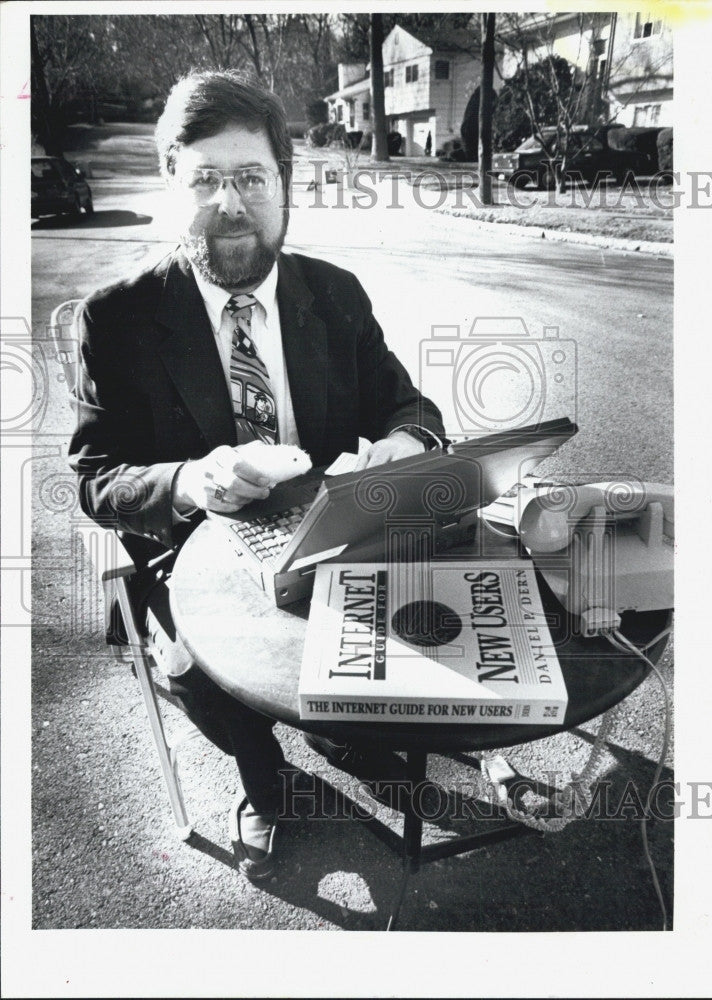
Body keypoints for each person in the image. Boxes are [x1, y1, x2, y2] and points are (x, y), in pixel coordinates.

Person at [68, 70, 445, 882]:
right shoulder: (118, 320)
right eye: (205, 179)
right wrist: (188, 481)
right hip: (195, 551)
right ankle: (264, 782)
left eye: (250, 177)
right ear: (172, 185)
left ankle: (344, 730)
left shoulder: (335, 294)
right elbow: (97, 478)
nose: (230, 203)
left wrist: (408, 443)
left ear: (285, 185)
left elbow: (407, 403)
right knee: (204, 673)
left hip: (337, 533)